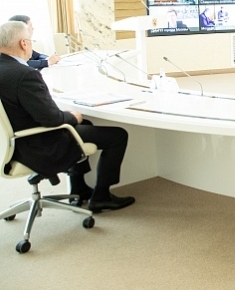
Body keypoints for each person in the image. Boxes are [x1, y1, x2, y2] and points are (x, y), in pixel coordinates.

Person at [0, 21, 135, 212]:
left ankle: (79, 188)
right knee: (117, 136)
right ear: (24, 43)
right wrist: (73, 117)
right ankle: (101, 197)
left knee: (86, 124)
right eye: (31, 40)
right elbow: (51, 119)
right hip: (36, 145)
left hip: (10, 144)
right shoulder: (24, 75)